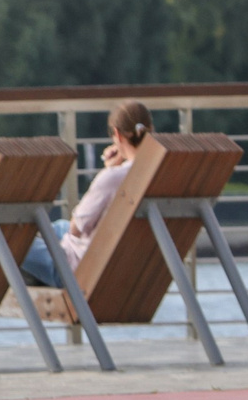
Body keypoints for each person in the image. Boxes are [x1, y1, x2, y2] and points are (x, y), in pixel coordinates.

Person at [21, 101, 153, 286]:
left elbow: (76, 228)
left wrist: (108, 171)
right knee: (57, 227)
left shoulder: (112, 178)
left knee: (9, 241)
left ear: (117, 134)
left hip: (77, 268)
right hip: (128, 266)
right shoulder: (157, 173)